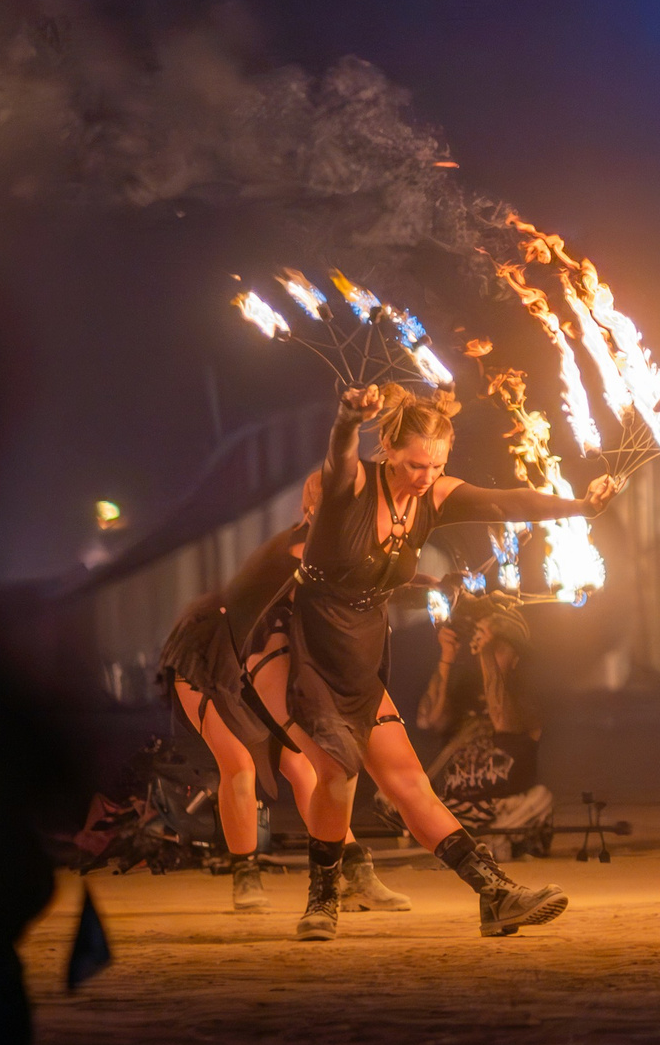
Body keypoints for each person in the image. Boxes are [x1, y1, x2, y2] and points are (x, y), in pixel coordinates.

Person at [285, 381, 615, 941]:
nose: (426, 476)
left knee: (411, 782)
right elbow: (340, 450)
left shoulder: (433, 498)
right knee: (339, 773)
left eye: (437, 465)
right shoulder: (351, 484)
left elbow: (506, 501)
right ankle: (323, 901)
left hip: (364, 650)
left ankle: (496, 895)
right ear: (388, 450)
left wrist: (579, 506)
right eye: (416, 464)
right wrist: (345, 418)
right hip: (315, 646)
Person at [156, 470, 409, 912]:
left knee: (305, 765)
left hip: (268, 658)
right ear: (313, 510)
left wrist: (439, 587)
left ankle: (353, 872)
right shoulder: (298, 545)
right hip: (213, 653)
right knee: (238, 765)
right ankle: (245, 873)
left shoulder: (350, 546)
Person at [413, 589, 553, 836]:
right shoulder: (462, 691)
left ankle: (481, 839)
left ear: (516, 659)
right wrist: (446, 657)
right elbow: (427, 721)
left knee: (540, 799)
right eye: (487, 646)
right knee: (391, 797)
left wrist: (488, 651)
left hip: (502, 806)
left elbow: (502, 721)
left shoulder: (528, 697)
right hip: (455, 807)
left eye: (499, 648)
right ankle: (463, 836)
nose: (486, 650)